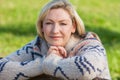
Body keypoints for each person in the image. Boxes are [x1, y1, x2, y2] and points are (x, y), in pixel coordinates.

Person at [0, 0, 111, 80]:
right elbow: (2, 69)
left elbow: (86, 71)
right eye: (49, 23)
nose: (55, 30)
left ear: (73, 27)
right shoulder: (38, 45)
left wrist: (51, 62)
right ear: (41, 27)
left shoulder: (91, 46)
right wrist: (42, 63)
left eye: (63, 24)